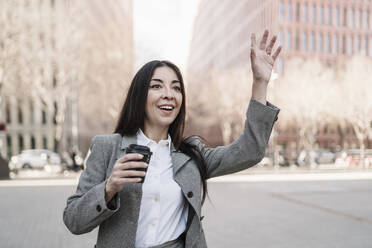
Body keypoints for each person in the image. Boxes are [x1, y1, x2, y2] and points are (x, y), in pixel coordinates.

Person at [63, 30, 281, 248]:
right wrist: (109, 188)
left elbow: (249, 151)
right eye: (157, 86)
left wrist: (260, 83)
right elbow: (74, 220)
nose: (169, 94)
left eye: (176, 88)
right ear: (139, 96)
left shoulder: (191, 154)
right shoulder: (107, 147)